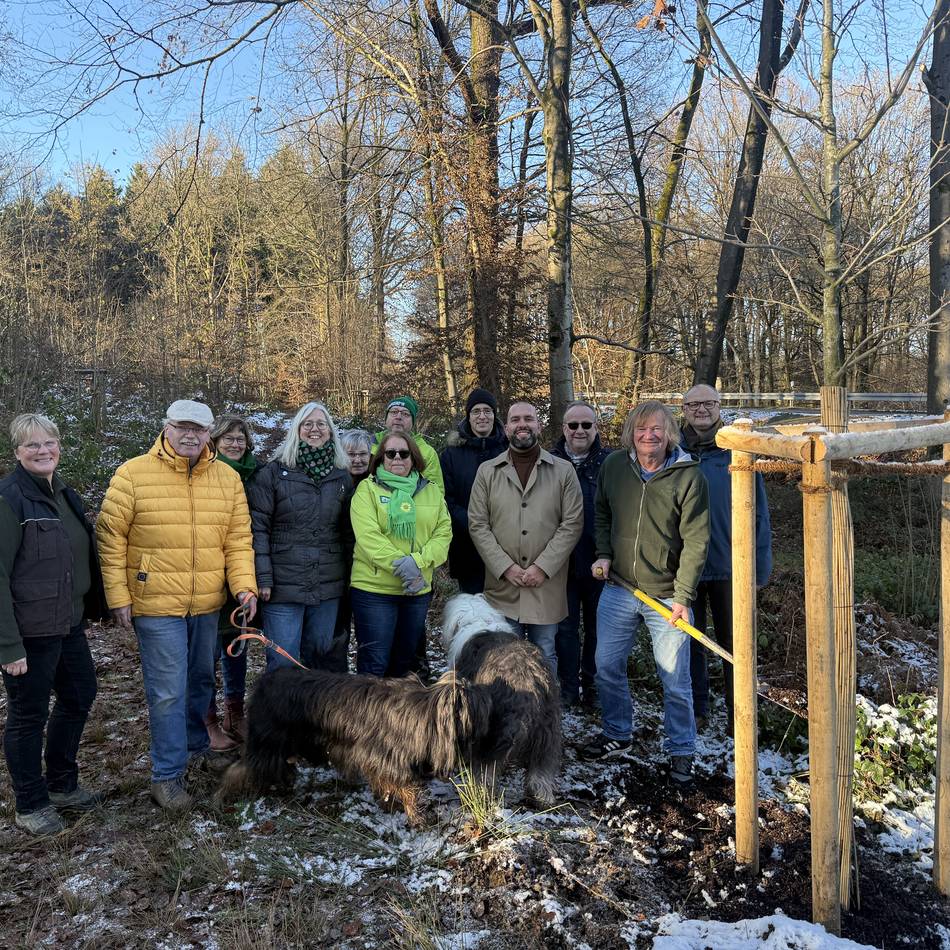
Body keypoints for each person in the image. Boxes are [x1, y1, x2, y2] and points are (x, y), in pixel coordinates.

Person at [97, 399, 258, 814]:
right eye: (182, 427)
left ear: (209, 435)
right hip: (156, 604)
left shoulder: (226, 478)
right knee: (168, 691)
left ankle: (196, 746)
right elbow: (111, 539)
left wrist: (244, 587)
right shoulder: (133, 474)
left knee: (202, 680)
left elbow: (238, 540)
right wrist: (119, 597)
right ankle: (166, 777)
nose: (190, 435)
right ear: (166, 428)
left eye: (199, 429)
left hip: (206, 602)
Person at [582, 401, 709, 788]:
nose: (648, 435)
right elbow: (601, 512)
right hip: (619, 587)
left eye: (656, 429)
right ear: (630, 434)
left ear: (669, 433)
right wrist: (604, 553)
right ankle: (618, 732)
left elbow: (696, 540)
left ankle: (682, 750)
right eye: (641, 429)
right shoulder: (614, 467)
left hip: (668, 596)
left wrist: (684, 597)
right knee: (606, 666)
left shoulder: (688, 477)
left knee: (674, 678)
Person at [0, 414, 107, 835]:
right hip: (29, 631)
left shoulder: (64, 493)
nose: (43, 451)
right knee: (28, 716)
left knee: (80, 694)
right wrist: (8, 646)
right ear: (17, 452)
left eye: (50, 442)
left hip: (68, 623)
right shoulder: (9, 499)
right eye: (32, 446)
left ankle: (62, 785)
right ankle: (30, 804)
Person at [681, 384, 772, 734]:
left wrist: (759, 567)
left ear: (719, 406)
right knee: (690, 644)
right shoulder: (675, 452)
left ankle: (741, 714)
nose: (700, 410)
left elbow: (760, 513)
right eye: (693, 404)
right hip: (686, 568)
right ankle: (698, 709)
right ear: (684, 410)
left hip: (730, 565)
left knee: (736, 645)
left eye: (708, 403)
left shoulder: (738, 449)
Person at [468, 401, 584, 675]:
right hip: (503, 586)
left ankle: (545, 713)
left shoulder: (563, 471)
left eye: (529, 419)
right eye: (516, 419)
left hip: (547, 584)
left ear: (539, 425)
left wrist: (542, 568)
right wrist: (505, 567)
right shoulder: (488, 471)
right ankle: (509, 715)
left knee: (545, 652)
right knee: (503, 656)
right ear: (506, 428)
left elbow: (572, 523)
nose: (523, 424)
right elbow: (477, 523)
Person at [247, 402, 352, 673]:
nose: (314, 429)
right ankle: (281, 716)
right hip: (283, 585)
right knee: (284, 663)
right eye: (308, 424)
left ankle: (313, 716)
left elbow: (349, 533)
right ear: (297, 430)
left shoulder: (341, 476)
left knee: (319, 661)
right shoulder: (273, 473)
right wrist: (263, 577)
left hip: (327, 584)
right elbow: (258, 528)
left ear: (330, 431)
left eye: (321, 424)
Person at [349, 430, 451, 677]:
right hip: (374, 591)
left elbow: (443, 534)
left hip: (416, 591)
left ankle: (394, 716)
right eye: (390, 453)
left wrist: (417, 562)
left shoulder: (431, 491)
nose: (397, 458)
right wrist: (403, 566)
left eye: (404, 453)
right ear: (381, 458)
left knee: (403, 665)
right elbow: (368, 538)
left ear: (413, 458)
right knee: (374, 664)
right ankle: (366, 716)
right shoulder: (367, 490)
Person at [551, 401, 612, 709]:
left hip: (600, 561)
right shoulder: (549, 461)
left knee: (597, 629)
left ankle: (592, 684)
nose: (579, 431)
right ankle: (567, 687)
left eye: (586, 425)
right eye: (573, 425)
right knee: (565, 629)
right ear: (563, 429)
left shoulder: (611, 463)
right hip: (561, 563)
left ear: (595, 428)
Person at [206, 414, 262, 748]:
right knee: (208, 652)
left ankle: (235, 712)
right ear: (215, 441)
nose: (235, 443)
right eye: (228, 437)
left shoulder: (257, 474)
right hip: (211, 574)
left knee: (237, 646)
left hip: (244, 571)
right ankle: (208, 718)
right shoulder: (207, 473)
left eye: (240, 438)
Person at [439, 387, 508, 595]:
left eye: (487, 411)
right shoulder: (452, 454)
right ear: (468, 417)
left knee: (503, 613)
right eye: (476, 411)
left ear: (495, 416)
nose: (482, 416)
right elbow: (446, 499)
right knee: (474, 610)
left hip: (505, 544)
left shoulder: (509, 450)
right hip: (467, 545)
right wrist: (475, 524)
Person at [322, 427, 373, 674]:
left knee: (369, 634)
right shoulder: (331, 483)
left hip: (368, 572)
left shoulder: (378, 484)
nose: (357, 459)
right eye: (351, 454)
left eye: (363, 454)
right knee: (337, 634)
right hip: (336, 570)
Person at [373, 396, 444, 494]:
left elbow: (436, 492)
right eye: (394, 412)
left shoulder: (426, 453)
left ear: (413, 422)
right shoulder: (369, 445)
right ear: (386, 418)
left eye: (405, 414)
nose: (398, 417)